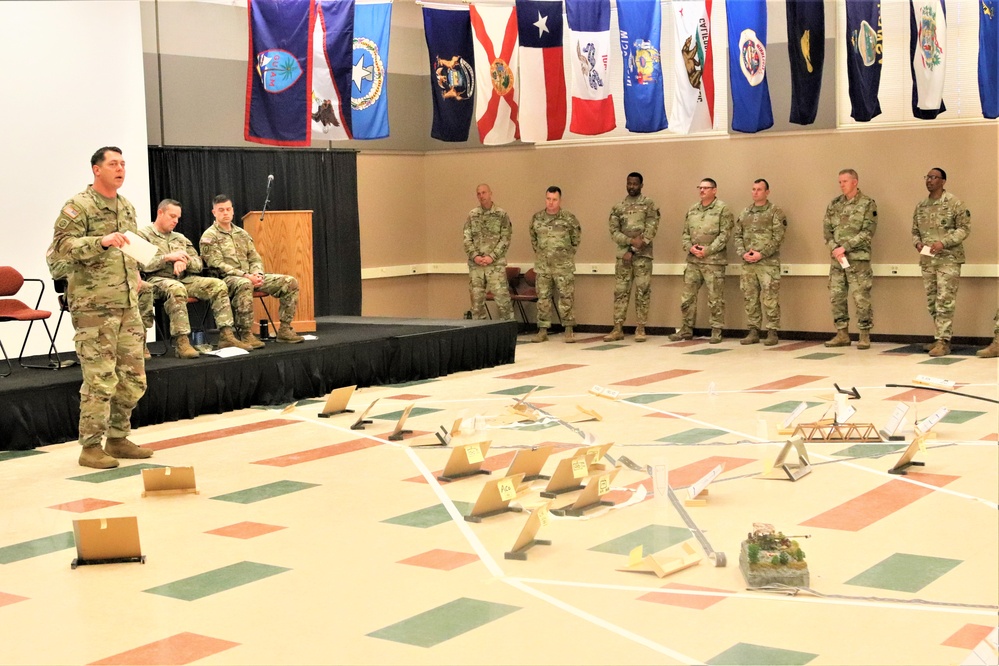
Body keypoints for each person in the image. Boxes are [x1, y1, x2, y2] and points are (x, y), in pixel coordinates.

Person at [46, 147, 153, 469]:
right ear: (96, 169)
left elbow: (132, 248)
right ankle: (90, 447)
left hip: (127, 304)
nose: (120, 168)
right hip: (94, 307)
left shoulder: (127, 206)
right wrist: (101, 241)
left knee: (134, 377)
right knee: (100, 379)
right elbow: (59, 251)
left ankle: (118, 438)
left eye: (123, 163)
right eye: (113, 163)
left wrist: (136, 273)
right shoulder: (79, 206)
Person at [138, 199, 253, 358]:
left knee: (218, 285)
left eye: (178, 218)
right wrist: (168, 257)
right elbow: (140, 264)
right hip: (156, 280)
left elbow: (199, 264)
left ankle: (226, 336)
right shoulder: (143, 235)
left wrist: (183, 260)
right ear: (160, 212)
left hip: (184, 279)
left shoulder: (180, 238)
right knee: (175, 288)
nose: (175, 221)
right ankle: (182, 342)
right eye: (172, 216)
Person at [200, 194, 304, 345]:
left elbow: (254, 258)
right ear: (214, 212)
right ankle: (246, 333)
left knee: (290, 282)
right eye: (221, 210)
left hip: (250, 277)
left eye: (228, 209)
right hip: (225, 280)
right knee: (244, 283)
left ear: (233, 211)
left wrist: (258, 274)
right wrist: (245, 275)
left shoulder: (242, 234)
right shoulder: (209, 236)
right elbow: (216, 264)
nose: (225, 213)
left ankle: (285, 330)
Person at [911, 168, 970, 358]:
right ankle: (939, 338)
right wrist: (918, 243)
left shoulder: (954, 203)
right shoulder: (921, 205)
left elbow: (964, 229)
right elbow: (914, 231)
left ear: (943, 181)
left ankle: (943, 342)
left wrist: (943, 242)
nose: (929, 180)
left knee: (944, 301)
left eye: (933, 177)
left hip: (948, 260)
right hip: (928, 260)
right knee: (932, 302)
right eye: (927, 177)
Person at [669, 178, 733, 344]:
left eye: (706, 188)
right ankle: (686, 329)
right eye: (700, 188)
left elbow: (724, 235)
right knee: (687, 297)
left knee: (715, 298)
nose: (702, 191)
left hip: (713, 261)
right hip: (693, 261)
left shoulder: (722, 209)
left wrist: (708, 250)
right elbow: (685, 233)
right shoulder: (692, 209)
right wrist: (690, 247)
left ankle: (716, 330)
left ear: (714, 190)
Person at [823, 169, 878, 349]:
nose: (841, 185)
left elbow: (867, 232)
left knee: (861, 297)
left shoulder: (867, 204)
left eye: (845, 181)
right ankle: (842, 334)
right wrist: (835, 248)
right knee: (836, 296)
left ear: (855, 182)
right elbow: (827, 231)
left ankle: (864, 335)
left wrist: (845, 247)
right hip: (838, 260)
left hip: (857, 260)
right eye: (839, 182)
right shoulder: (834, 204)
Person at [604, 172, 660, 343]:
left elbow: (651, 229)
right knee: (620, 292)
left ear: (641, 185)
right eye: (629, 183)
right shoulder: (618, 207)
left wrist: (634, 249)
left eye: (635, 184)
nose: (632, 187)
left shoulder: (649, 204)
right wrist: (629, 242)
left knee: (642, 291)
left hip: (643, 257)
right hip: (623, 258)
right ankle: (617, 328)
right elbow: (614, 232)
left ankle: (641, 328)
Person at [733, 179, 787, 346]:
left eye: (759, 189)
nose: (755, 192)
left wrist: (761, 254)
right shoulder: (745, 213)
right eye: (753, 189)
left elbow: (778, 237)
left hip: (768, 264)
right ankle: (753, 330)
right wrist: (743, 253)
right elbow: (738, 236)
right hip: (748, 263)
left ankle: (772, 331)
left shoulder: (775, 212)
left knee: (770, 298)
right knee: (750, 297)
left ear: (767, 192)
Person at [529, 186, 581, 343]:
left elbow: (576, 240)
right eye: (548, 199)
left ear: (560, 200)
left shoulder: (569, 218)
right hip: (543, 266)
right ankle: (543, 330)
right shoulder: (537, 218)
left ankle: (569, 329)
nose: (551, 203)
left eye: (554, 199)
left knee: (566, 297)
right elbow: (534, 240)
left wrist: (564, 256)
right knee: (543, 298)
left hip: (563, 266)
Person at [463, 184, 514, 321]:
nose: (481, 196)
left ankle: (508, 332)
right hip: (476, 266)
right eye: (478, 193)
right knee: (476, 304)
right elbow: (467, 238)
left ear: (491, 193)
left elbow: (505, 239)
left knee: (503, 301)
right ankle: (480, 335)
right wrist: (475, 256)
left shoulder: (501, 214)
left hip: (495, 265)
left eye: (484, 192)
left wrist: (492, 257)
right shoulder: (472, 215)